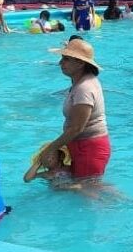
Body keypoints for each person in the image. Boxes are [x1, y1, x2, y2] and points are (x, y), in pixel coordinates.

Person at [39, 39, 111, 180]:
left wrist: (51, 148)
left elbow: (76, 128)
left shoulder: (84, 88)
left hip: (89, 148)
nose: (61, 63)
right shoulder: (82, 82)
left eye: (66, 59)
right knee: (87, 189)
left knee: (88, 191)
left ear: (80, 63)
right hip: (84, 145)